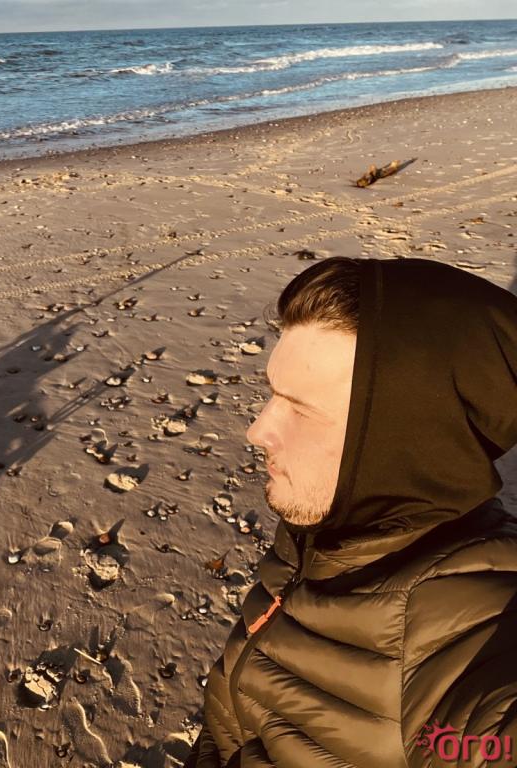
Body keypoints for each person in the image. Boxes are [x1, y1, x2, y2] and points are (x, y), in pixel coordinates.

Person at [185, 256, 517, 768]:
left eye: (301, 408)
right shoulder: (318, 537)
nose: (257, 431)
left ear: (405, 442)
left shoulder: (470, 632)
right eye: (273, 395)